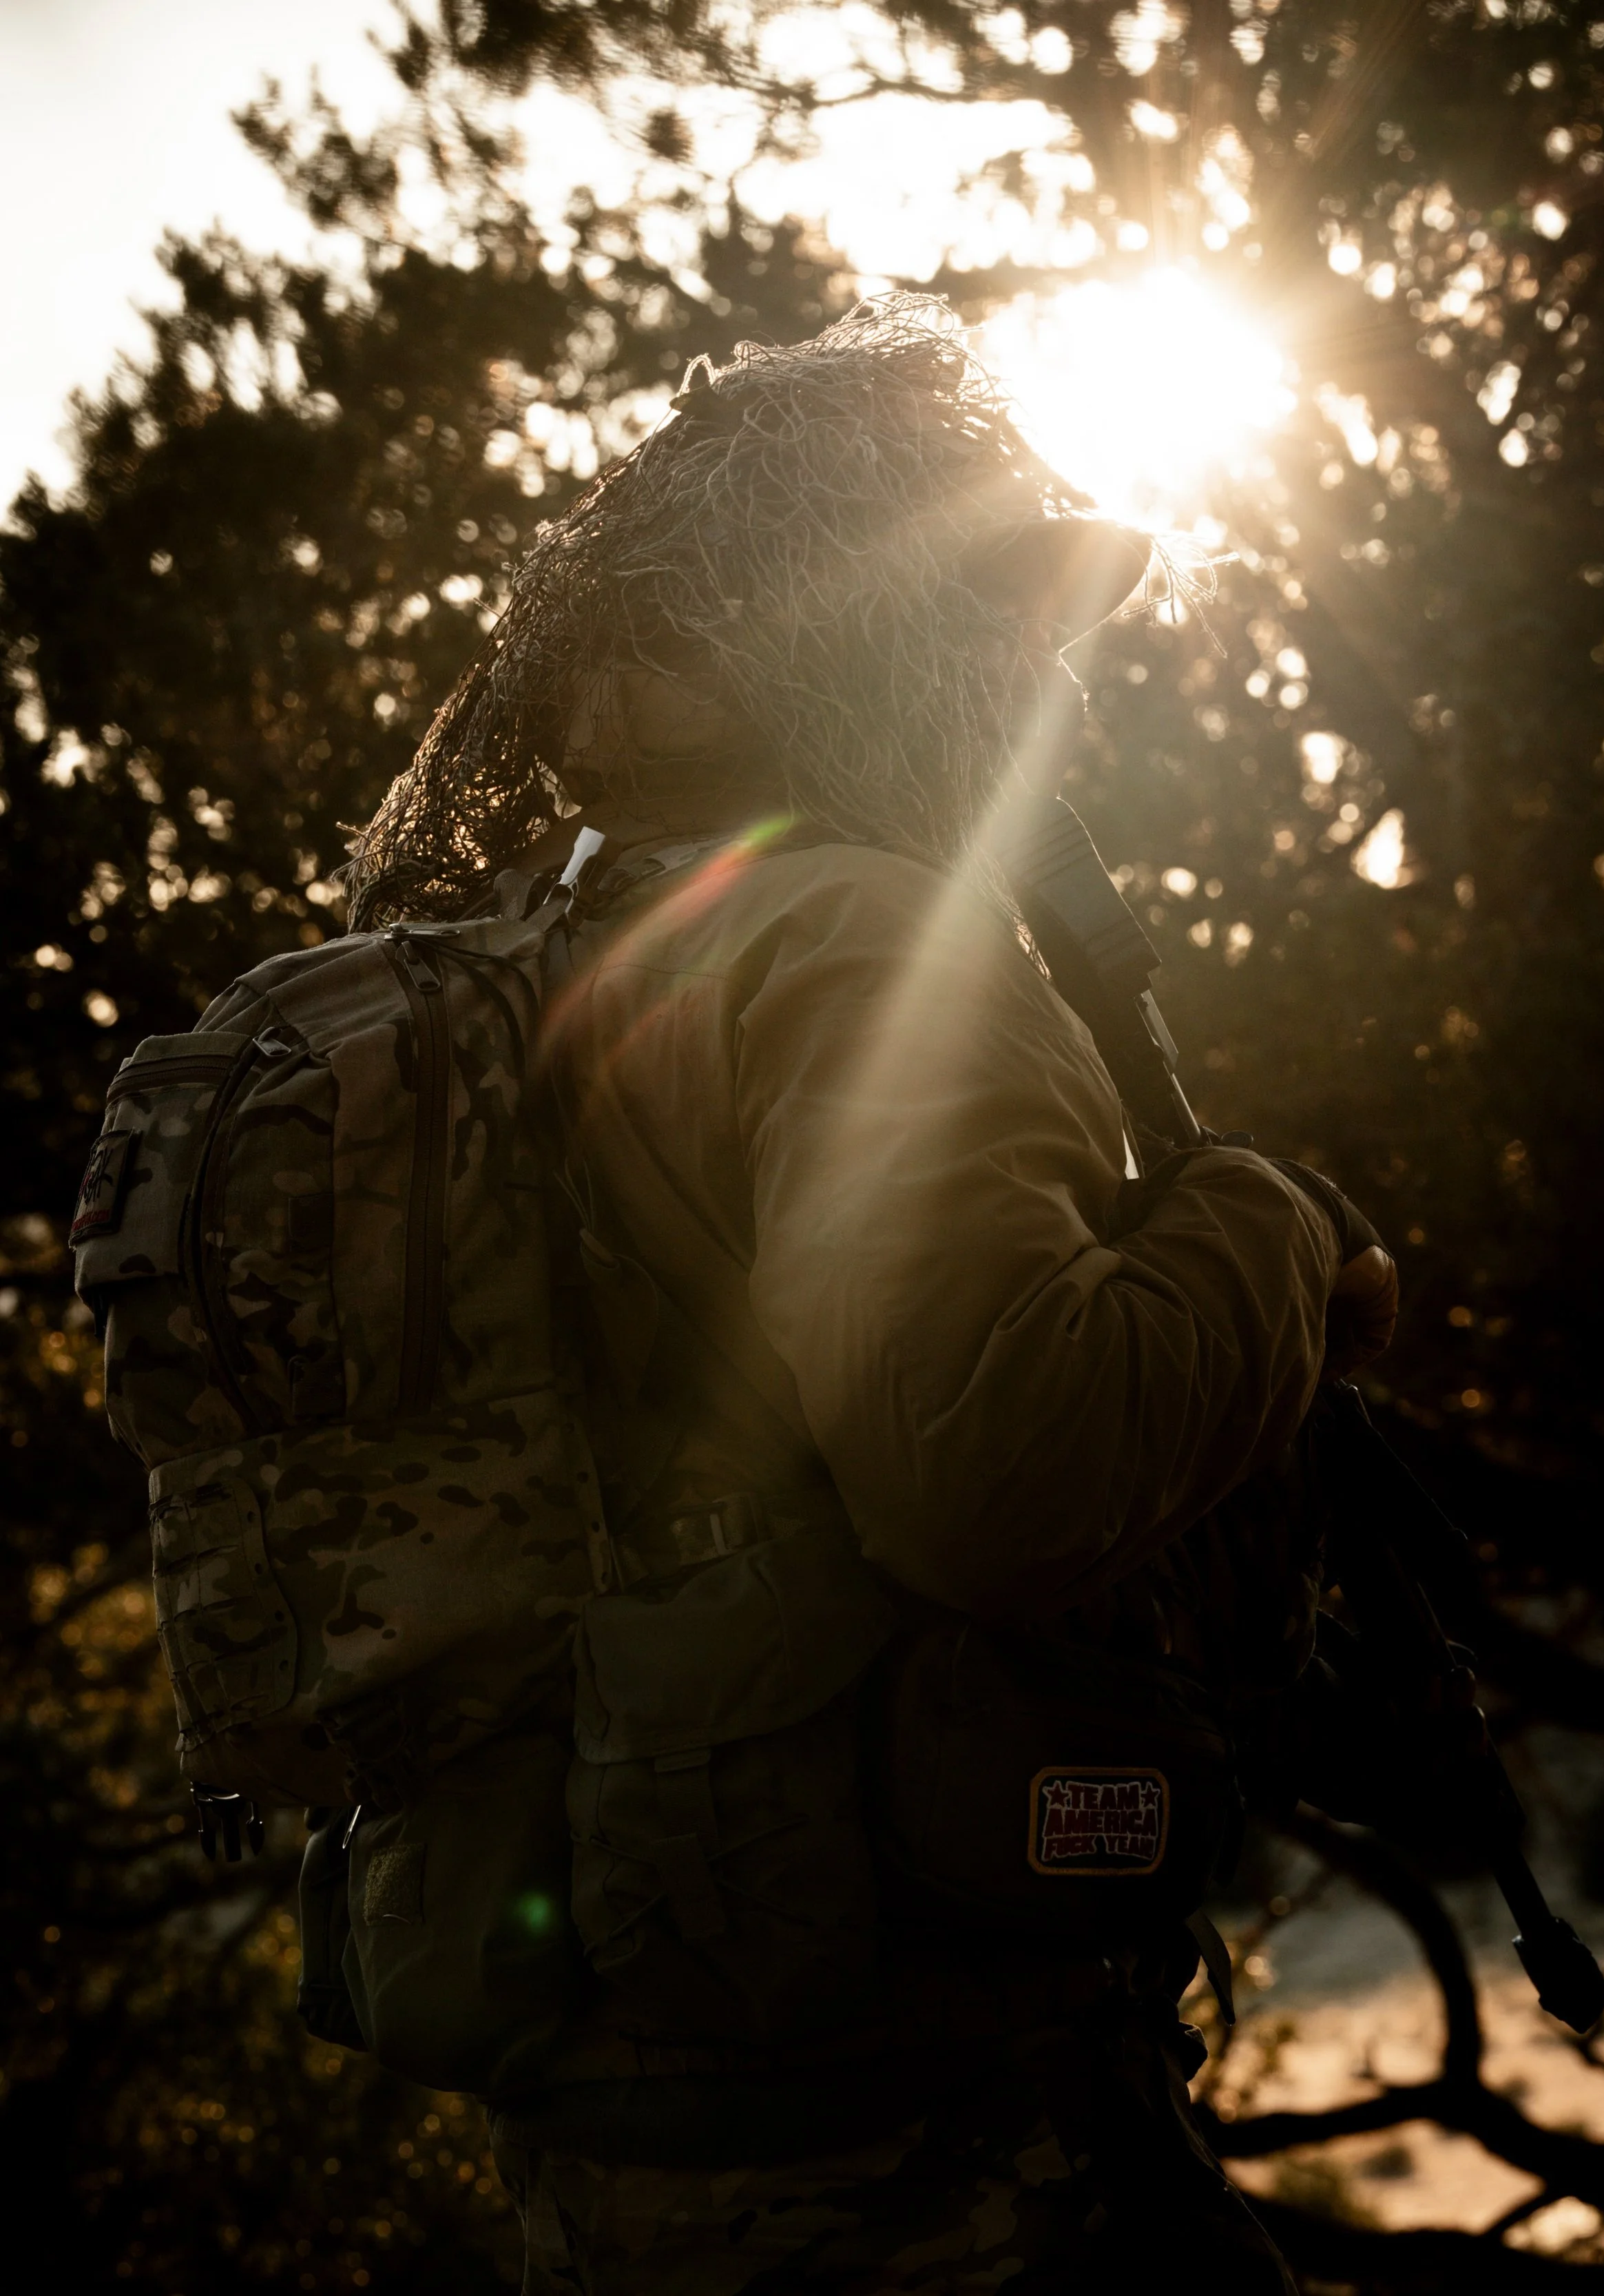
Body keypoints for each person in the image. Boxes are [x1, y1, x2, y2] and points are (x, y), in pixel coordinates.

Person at [344, 294, 1397, 2294]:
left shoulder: (576, 924)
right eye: (1011, 614)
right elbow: (987, 1465)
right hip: (903, 2127)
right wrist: (1270, 1223)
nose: (1045, 676)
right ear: (869, 621)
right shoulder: (852, 936)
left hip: (642, 2071)